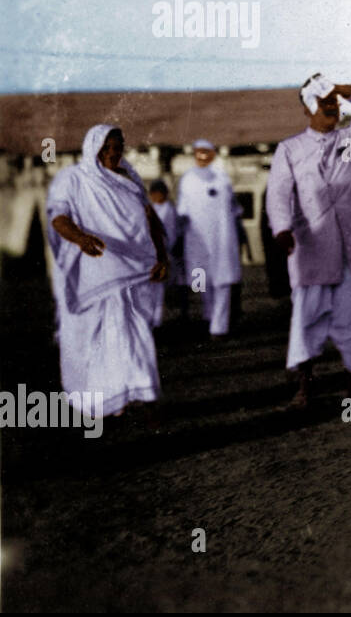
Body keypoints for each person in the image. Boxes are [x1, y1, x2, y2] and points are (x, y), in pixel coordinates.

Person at [267, 75, 351, 407]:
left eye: (334, 103)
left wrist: (342, 89)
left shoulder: (347, 141)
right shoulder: (290, 149)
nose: (332, 109)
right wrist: (282, 228)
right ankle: (305, 388)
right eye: (324, 103)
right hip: (310, 247)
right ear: (308, 110)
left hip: (348, 246)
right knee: (307, 317)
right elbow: (278, 193)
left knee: (348, 317)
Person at [46, 125, 168, 419]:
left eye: (117, 146)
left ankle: (136, 394)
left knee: (134, 332)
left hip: (134, 270)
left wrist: (162, 255)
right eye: (106, 147)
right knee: (97, 339)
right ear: (93, 148)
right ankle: (105, 402)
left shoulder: (130, 179)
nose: (113, 153)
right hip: (95, 272)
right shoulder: (73, 179)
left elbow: (150, 220)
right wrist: (80, 238)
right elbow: (59, 218)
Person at [176, 140, 242, 338]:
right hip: (198, 241)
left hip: (223, 240)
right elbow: (182, 212)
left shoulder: (223, 179)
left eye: (207, 152)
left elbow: (234, 209)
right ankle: (209, 317)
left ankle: (219, 327)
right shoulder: (187, 180)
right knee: (201, 282)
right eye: (199, 152)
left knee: (223, 281)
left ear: (213, 154)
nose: (203, 155)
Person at [142, 180, 181, 329]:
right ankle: (150, 321)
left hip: (162, 254)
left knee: (158, 292)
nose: (154, 196)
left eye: (157, 194)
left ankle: (156, 322)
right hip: (149, 255)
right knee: (149, 291)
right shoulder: (151, 208)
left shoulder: (169, 210)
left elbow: (171, 235)